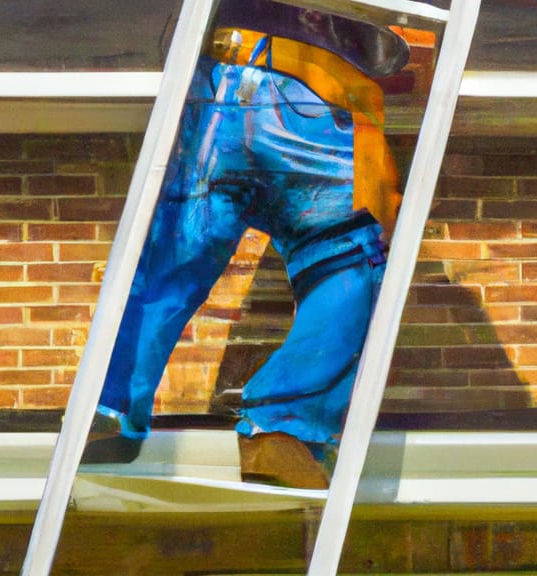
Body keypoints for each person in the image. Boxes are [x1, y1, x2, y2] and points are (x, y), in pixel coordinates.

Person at [83, 0, 409, 489]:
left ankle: (107, 411)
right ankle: (283, 430)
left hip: (219, 86)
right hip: (318, 91)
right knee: (351, 259)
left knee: (173, 258)